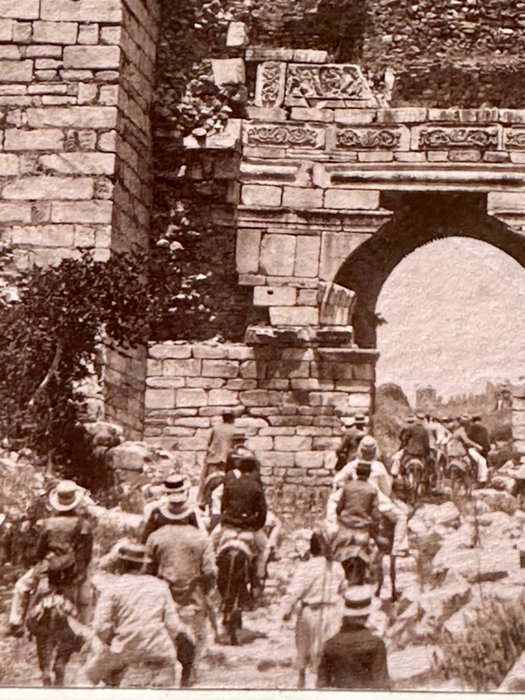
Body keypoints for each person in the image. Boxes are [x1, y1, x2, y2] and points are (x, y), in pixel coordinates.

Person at [75, 543, 195, 688]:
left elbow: (101, 628)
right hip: (161, 653)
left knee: (84, 679)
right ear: (143, 566)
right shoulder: (160, 586)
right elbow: (174, 626)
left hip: (125, 653)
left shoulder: (112, 588)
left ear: (120, 564)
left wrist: (113, 642)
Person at [145, 488, 217, 684]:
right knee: (199, 636)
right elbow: (210, 571)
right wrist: (207, 591)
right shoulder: (201, 538)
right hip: (193, 596)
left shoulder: (155, 537)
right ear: (188, 513)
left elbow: (148, 569)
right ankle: (191, 671)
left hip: (164, 595)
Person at [8, 480, 94, 636]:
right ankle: (85, 632)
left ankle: (16, 623)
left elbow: (39, 552)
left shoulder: (47, 524)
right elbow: (86, 555)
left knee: (21, 587)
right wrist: (80, 570)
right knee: (86, 598)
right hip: (73, 570)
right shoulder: (84, 525)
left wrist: (44, 560)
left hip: (49, 568)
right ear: (75, 501)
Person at [281, 530, 346, 688]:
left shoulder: (305, 567)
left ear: (312, 548)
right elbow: (344, 589)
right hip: (332, 612)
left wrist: (286, 611)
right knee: (327, 651)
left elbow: (295, 591)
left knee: (304, 649)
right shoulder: (336, 566)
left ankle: (303, 682)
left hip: (310, 612)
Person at [330, 437, 409, 558]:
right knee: (401, 517)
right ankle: (398, 548)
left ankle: (332, 530)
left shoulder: (353, 464)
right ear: (375, 451)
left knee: (333, 504)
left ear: (360, 450)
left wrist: (348, 487)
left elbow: (336, 480)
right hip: (376, 499)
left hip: (353, 496)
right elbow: (387, 490)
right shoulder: (379, 467)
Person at [213, 448, 269, 597]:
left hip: (228, 529)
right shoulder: (256, 487)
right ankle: (258, 578)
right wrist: (256, 526)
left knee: (210, 547)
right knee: (264, 550)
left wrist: (226, 519)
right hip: (248, 531)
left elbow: (223, 505)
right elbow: (262, 512)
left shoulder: (230, 482)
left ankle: (211, 573)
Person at [317, 585, 391, 689]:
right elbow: (381, 684)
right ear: (367, 615)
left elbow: (322, 683)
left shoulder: (331, 643)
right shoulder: (375, 643)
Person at [141, 474, 206, 542]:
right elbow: (200, 537)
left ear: (166, 492)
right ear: (183, 491)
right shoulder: (192, 513)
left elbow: (146, 537)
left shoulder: (156, 511)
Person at [198, 409, 241, 506]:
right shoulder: (235, 430)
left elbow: (209, 443)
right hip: (228, 461)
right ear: (232, 418)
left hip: (213, 460)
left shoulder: (216, 428)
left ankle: (203, 501)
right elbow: (237, 447)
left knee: (207, 482)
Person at [447, 416, 488, 485]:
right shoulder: (461, 431)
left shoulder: (456, 431)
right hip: (461, 451)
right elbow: (467, 441)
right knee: (481, 461)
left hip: (452, 452)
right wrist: (477, 446)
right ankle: (481, 479)